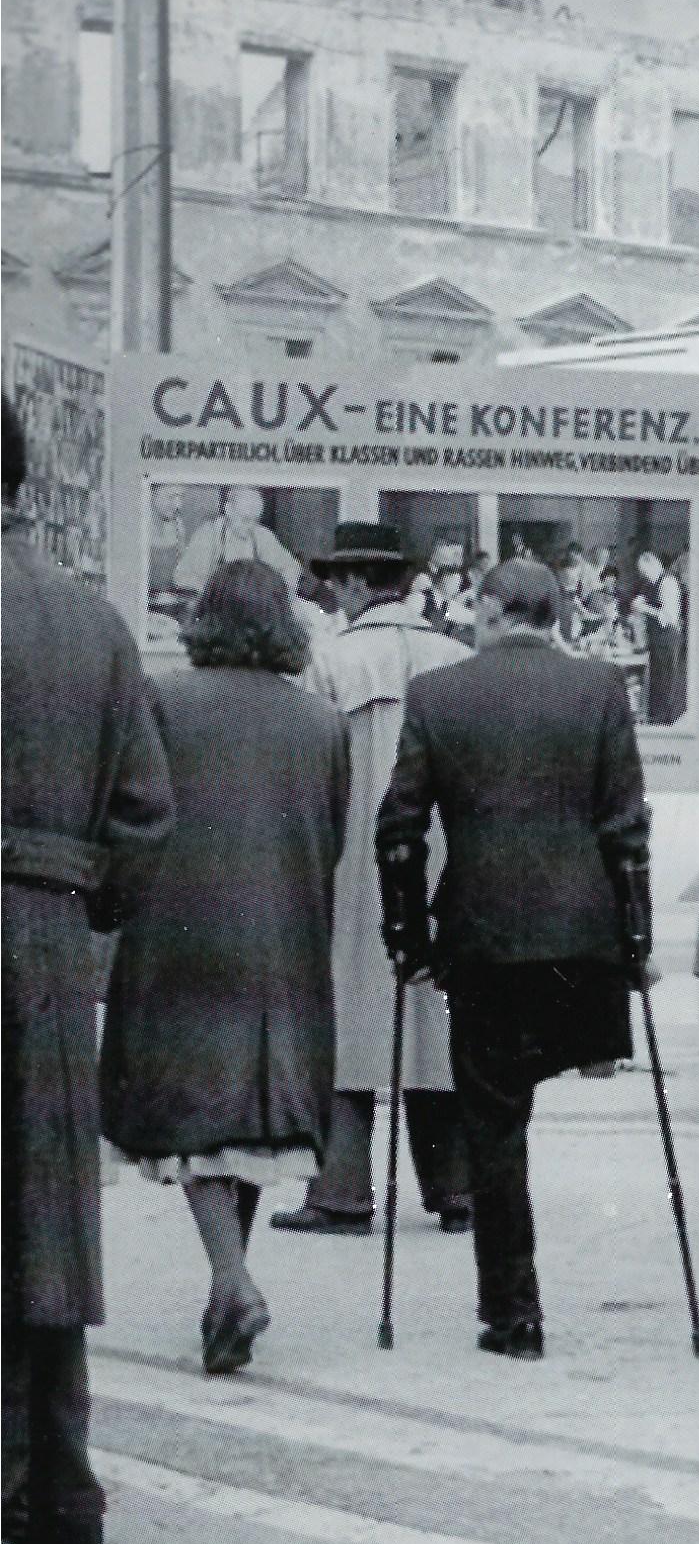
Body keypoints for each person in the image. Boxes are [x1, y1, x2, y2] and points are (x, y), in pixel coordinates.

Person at [377, 559, 650, 1359]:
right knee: (539, 1084)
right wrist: (632, 944)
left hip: (484, 938)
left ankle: (512, 1312)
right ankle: (513, 1305)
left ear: (493, 609)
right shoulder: (600, 689)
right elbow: (626, 828)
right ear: (555, 613)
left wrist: (408, 940)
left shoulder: (438, 694)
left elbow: (400, 831)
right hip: (580, 942)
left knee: (494, 1125)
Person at [2, 398, 175, 1544]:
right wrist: (77, 900)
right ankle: (61, 1499)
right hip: (49, 934)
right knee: (44, 1215)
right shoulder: (95, 623)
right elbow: (146, 816)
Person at [101, 562, 348, 1375]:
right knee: (250, 1117)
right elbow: (331, 837)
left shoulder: (165, 703)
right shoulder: (321, 723)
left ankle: (230, 1281)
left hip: (182, 930)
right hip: (283, 937)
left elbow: (132, 810)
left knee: (196, 1115)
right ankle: (225, 1285)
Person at [271, 525, 473, 1239]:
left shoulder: (328, 662)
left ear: (355, 584)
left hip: (349, 854)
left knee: (346, 1014)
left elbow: (303, 769)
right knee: (435, 1021)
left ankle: (341, 1189)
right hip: (441, 854)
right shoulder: (456, 659)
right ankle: (457, 1189)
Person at [172, 484, 302, 600]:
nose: (251, 526)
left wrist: (285, 585)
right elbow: (182, 577)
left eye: (255, 520)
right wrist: (218, 590)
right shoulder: (209, 534)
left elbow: (290, 568)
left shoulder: (262, 535)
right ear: (228, 510)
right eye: (245, 520)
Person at [631, 548, 686, 723]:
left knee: (666, 683)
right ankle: (657, 721)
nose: (643, 575)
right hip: (656, 640)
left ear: (654, 565)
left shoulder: (668, 582)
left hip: (667, 639)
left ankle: (666, 723)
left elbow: (670, 616)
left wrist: (644, 607)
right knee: (656, 683)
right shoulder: (651, 584)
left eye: (645, 570)